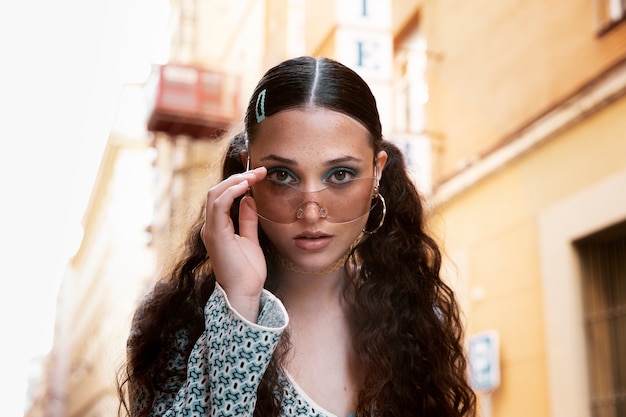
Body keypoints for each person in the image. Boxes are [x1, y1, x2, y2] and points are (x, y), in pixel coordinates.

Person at [117, 55, 476, 417]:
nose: (310, 212)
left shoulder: (420, 316)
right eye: (283, 175)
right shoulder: (176, 318)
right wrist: (239, 303)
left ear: (377, 172)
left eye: (340, 174)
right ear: (247, 171)